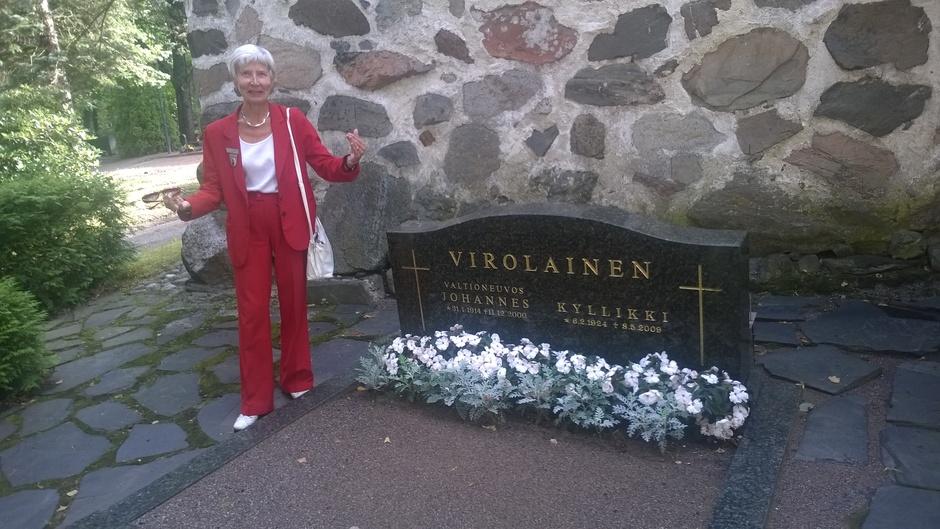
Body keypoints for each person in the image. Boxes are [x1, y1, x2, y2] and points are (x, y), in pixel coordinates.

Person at [163, 44, 367, 431]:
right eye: (247, 74)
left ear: (272, 80)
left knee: (294, 304)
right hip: (247, 226)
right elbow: (213, 190)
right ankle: (255, 400)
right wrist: (187, 206)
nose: (254, 81)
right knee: (252, 312)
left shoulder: (292, 121)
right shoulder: (217, 133)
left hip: (287, 219)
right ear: (235, 80)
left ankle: (297, 379)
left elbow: (324, 164)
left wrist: (350, 160)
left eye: (261, 74)